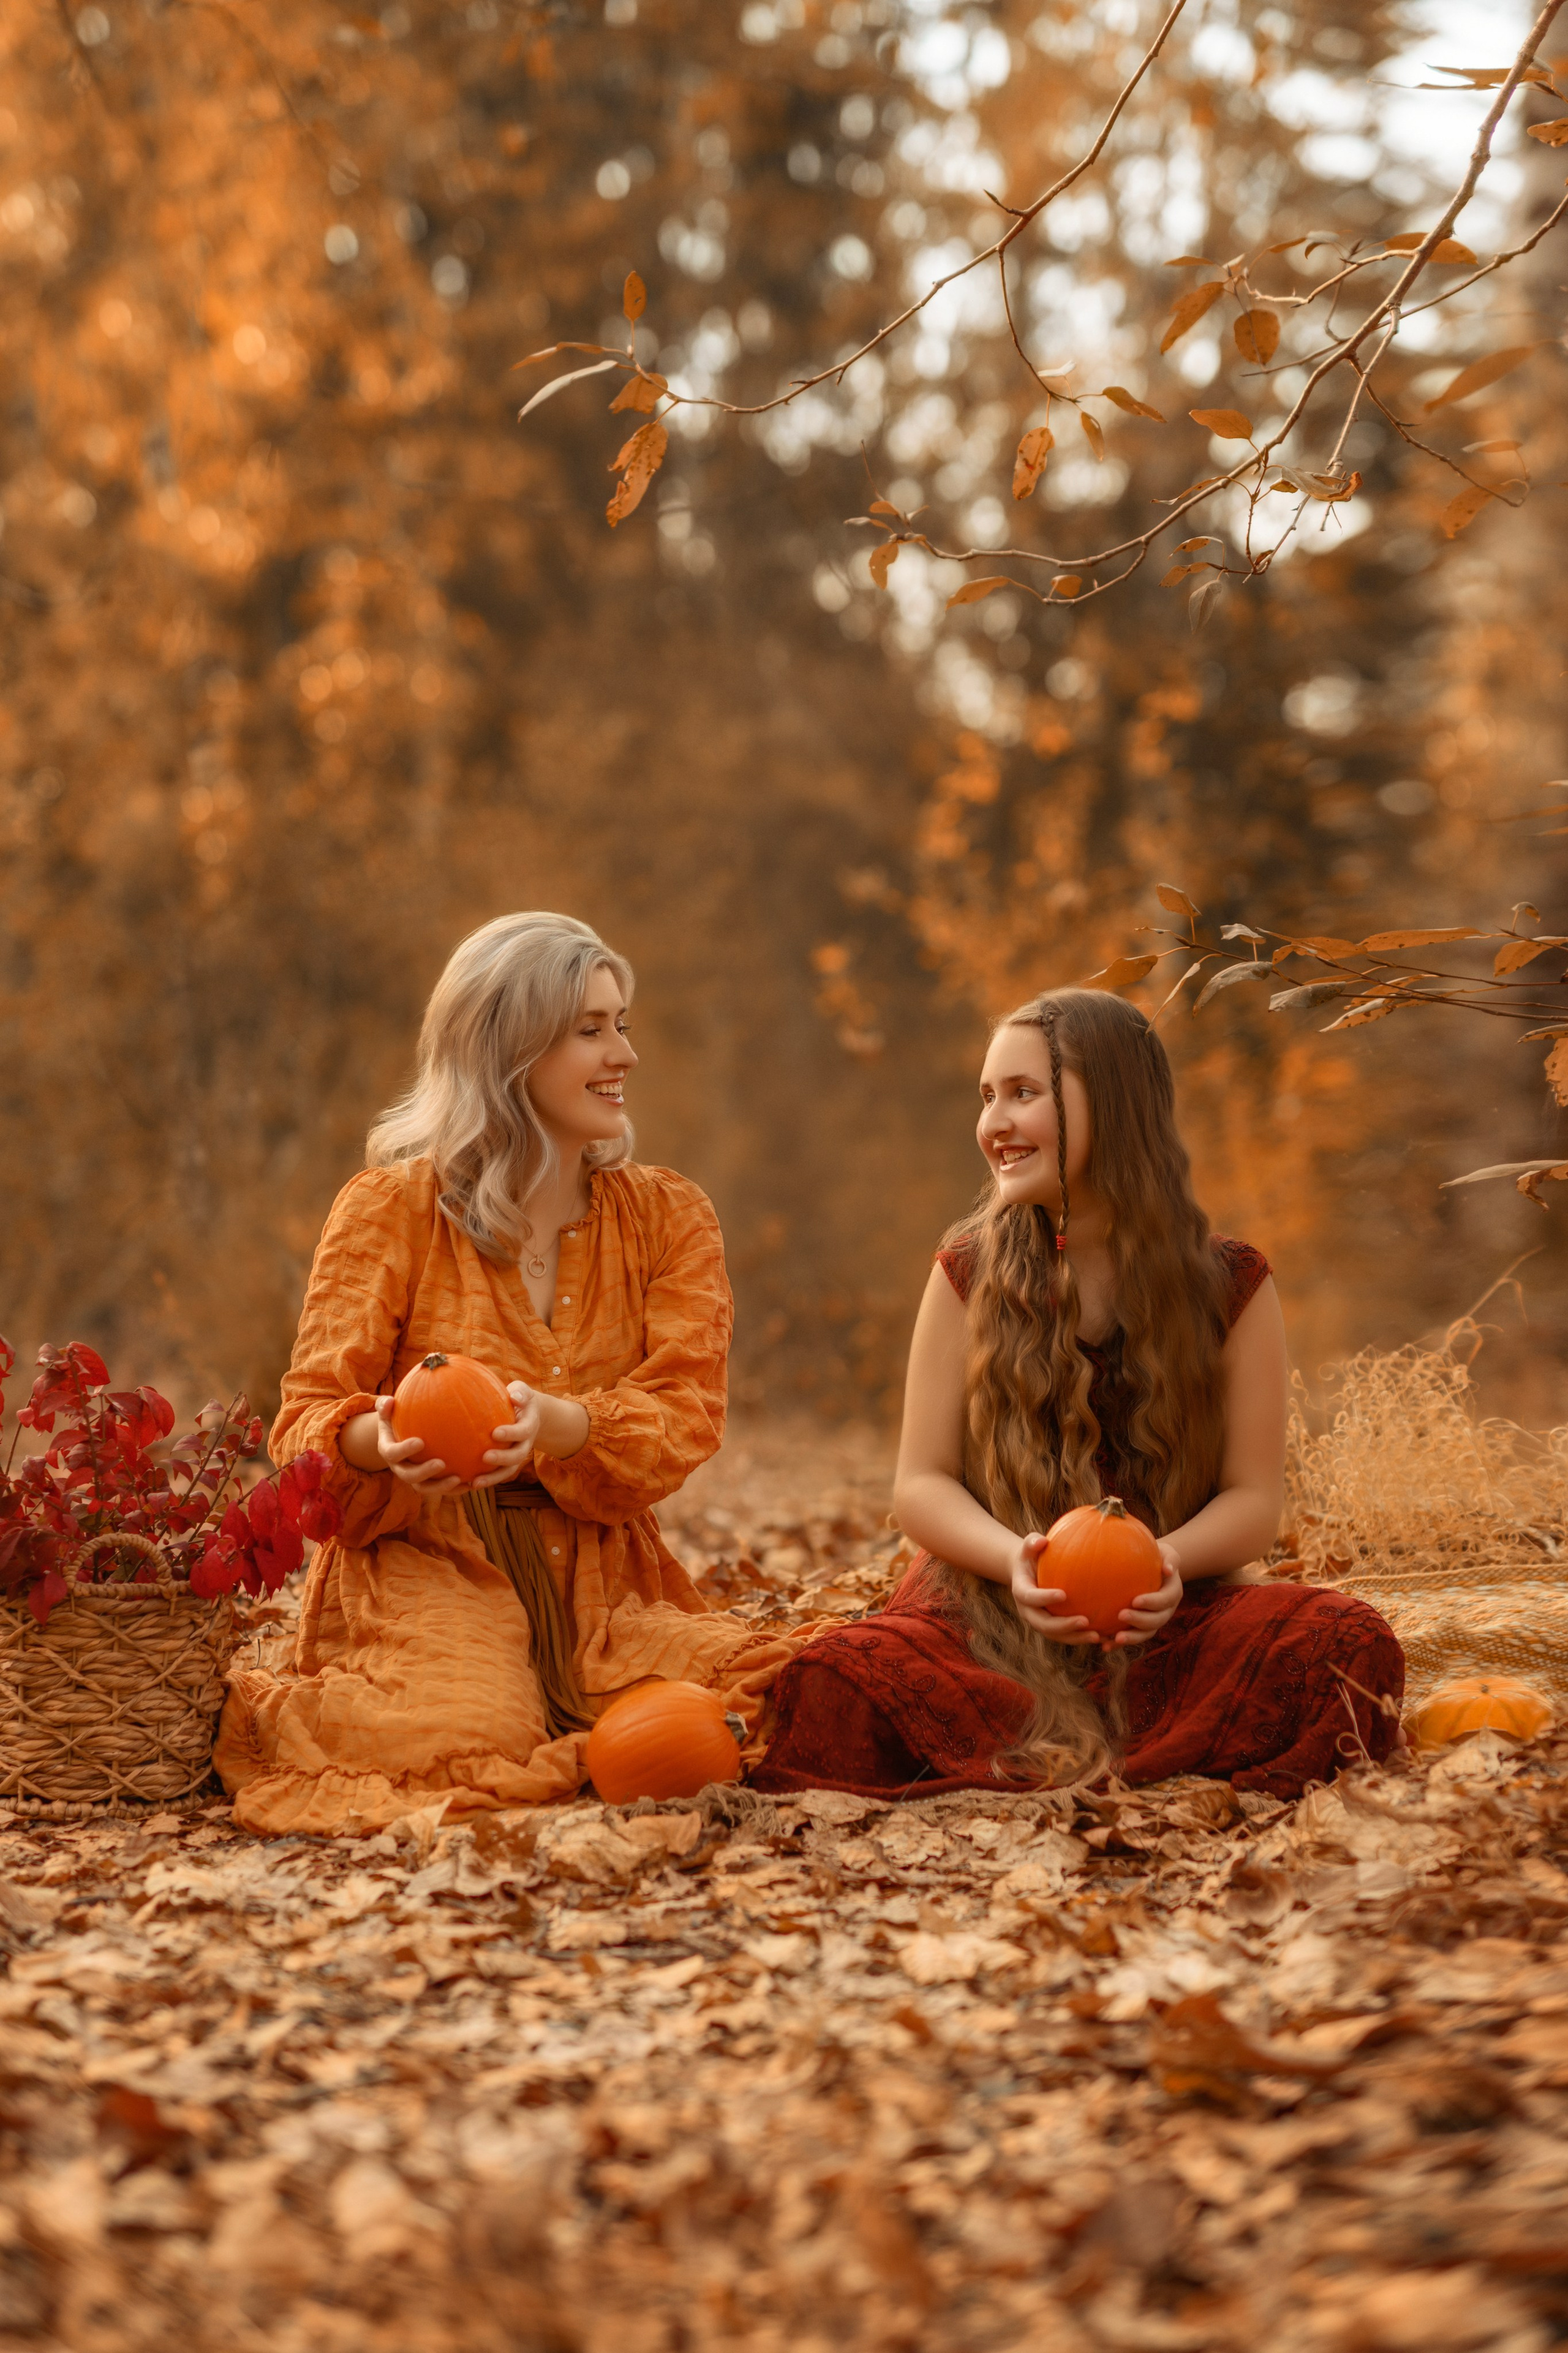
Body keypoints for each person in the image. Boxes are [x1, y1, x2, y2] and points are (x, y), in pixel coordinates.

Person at [217, 912, 801, 1837]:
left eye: (623, 1024)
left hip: (601, 1581)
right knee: (469, 1733)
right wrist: (381, 1440)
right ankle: (302, 1712)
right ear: (508, 1051)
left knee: (785, 1692)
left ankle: (592, 1720)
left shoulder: (669, 1216)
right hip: (429, 1560)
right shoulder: (391, 1210)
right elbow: (304, 1426)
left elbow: (687, 1409)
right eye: (591, 1030)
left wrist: (565, 1426)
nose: (625, 1054)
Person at [753, 986, 1403, 1802]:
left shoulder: (1232, 1283)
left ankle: (1104, 1754)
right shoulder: (966, 1272)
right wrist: (1015, 1564)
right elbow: (920, 1485)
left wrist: (1166, 1564)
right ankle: (1106, 1753)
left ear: (1118, 1105)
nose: (994, 1123)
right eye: (987, 1097)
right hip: (989, 1619)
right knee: (831, 1680)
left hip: (1172, 1622)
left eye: (1023, 1093)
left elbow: (1253, 1501)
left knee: (1349, 1642)